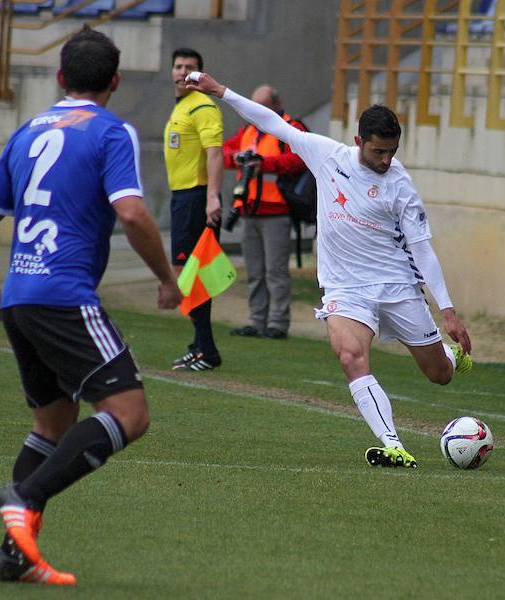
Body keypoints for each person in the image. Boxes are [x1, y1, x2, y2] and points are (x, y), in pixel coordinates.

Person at [0, 27, 182, 585]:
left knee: (52, 424)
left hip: (20, 296)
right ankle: (24, 497)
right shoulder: (112, 131)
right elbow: (133, 214)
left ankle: (13, 557)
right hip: (64, 296)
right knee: (130, 415)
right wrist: (167, 278)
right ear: (114, 81)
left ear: (60, 77)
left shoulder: (25, 132)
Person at [184, 71, 473, 468]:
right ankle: (393, 444)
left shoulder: (401, 186)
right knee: (351, 356)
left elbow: (423, 251)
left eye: (392, 151)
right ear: (358, 143)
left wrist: (448, 312)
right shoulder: (327, 155)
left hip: (397, 286)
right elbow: (272, 122)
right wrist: (222, 92)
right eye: (378, 152)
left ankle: (450, 355)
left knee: (439, 374)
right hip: (345, 288)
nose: (387, 160)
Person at [223, 84, 308, 340]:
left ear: (276, 104)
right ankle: (256, 320)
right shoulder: (249, 130)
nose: (256, 110)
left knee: (276, 273)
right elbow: (224, 153)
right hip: (250, 211)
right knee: (255, 272)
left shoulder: (291, 127)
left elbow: (301, 157)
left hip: (278, 212)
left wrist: (266, 164)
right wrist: (239, 157)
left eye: (262, 106)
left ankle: (277, 324)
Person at [165, 47, 224, 371]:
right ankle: (201, 346)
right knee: (187, 273)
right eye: (178, 66)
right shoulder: (184, 106)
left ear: (199, 74)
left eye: (189, 67)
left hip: (196, 197)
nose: (182, 71)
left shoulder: (202, 106)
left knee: (192, 274)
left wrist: (213, 198)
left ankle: (207, 350)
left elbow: (214, 153)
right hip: (183, 197)